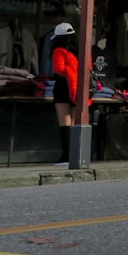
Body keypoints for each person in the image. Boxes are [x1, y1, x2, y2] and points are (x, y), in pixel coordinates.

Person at [50, 22, 78, 165]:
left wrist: (68, 70)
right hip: (76, 87)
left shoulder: (59, 51)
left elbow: (59, 69)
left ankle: (66, 156)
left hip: (62, 87)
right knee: (73, 121)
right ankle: (75, 154)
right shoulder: (79, 51)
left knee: (64, 121)